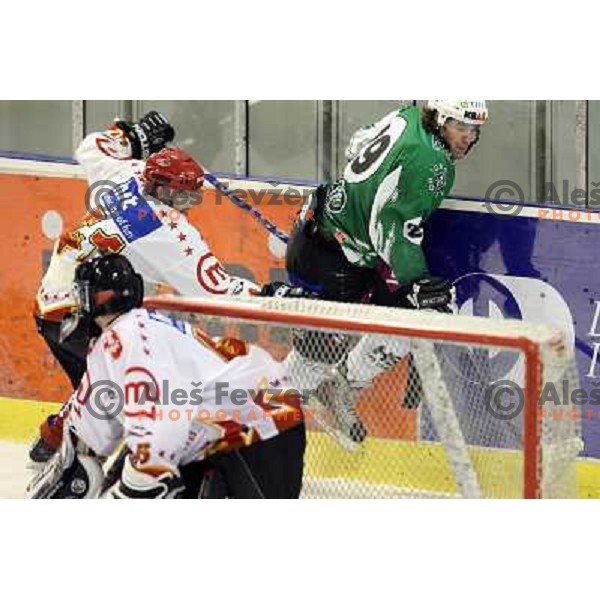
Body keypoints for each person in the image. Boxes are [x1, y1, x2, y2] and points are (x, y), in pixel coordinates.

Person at [31, 111, 265, 466]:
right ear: (166, 191)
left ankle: (50, 444)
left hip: (49, 304)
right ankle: (95, 466)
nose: (188, 204)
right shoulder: (167, 227)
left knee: (98, 390)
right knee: (122, 393)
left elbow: (91, 147)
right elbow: (215, 289)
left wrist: (133, 136)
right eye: (183, 196)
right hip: (89, 314)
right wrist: (270, 295)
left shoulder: (128, 173)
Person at [284, 101, 489, 442]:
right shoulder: (434, 163)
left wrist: (364, 196)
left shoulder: (407, 115)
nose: (468, 137)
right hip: (331, 259)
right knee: (315, 358)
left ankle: (340, 386)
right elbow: (387, 226)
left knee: (409, 319)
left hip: (326, 234)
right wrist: (415, 281)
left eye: (474, 129)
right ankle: (257, 423)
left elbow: (356, 145)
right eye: (460, 127)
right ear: (440, 119)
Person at [27, 254, 306, 499]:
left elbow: (163, 415)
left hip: (262, 417)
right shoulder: (109, 345)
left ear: (97, 298)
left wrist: (143, 480)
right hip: (211, 431)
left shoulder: (130, 337)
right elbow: (87, 441)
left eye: (82, 294)